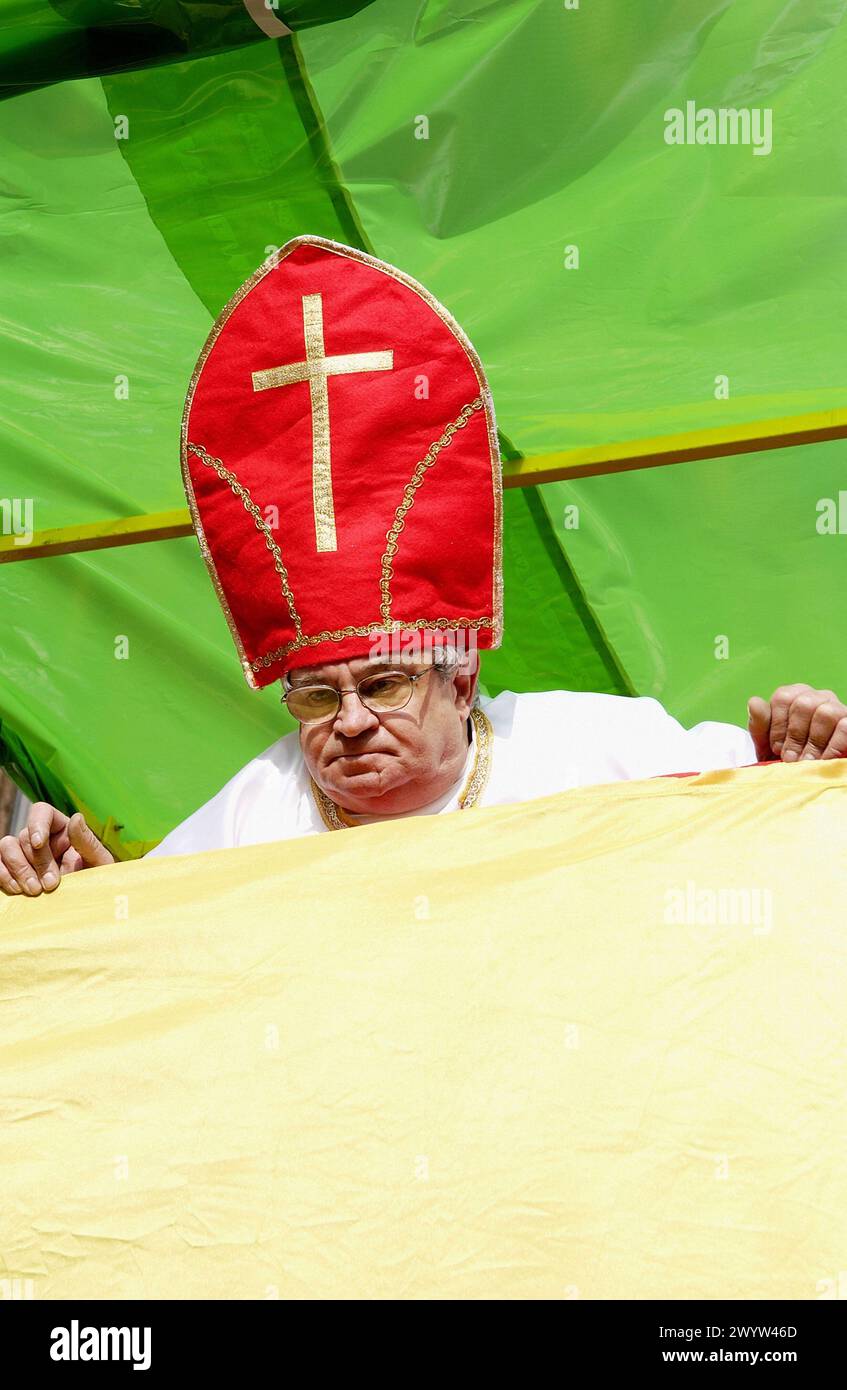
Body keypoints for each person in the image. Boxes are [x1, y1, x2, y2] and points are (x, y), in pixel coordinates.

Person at [3, 235, 845, 895]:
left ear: (461, 680)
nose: (351, 721)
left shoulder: (592, 743)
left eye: (383, 685)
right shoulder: (258, 805)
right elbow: (157, 949)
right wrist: (71, 887)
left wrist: (807, 754)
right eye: (316, 696)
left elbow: (777, 813)